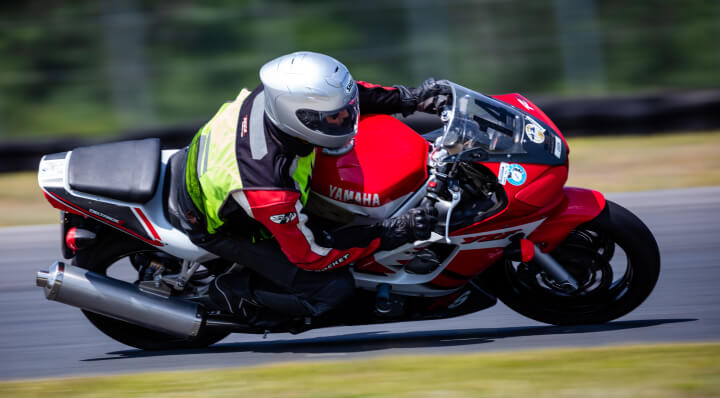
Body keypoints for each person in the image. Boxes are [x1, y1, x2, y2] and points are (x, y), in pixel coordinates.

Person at [167, 51, 447, 326]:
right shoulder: (271, 187)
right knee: (331, 289)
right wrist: (388, 233)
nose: (346, 120)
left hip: (207, 168)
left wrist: (410, 98)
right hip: (217, 224)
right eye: (335, 118)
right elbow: (312, 255)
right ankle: (228, 293)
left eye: (345, 113)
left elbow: (348, 97)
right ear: (298, 117)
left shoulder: (278, 95)